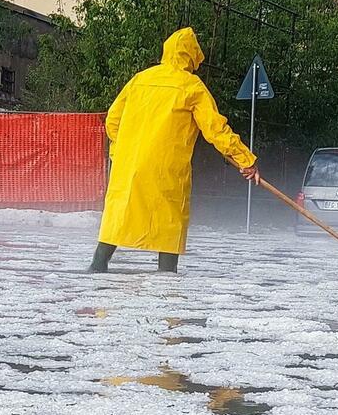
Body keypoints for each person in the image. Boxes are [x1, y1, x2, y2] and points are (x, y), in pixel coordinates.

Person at [89, 27, 260, 274]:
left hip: (128, 166)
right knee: (168, 220)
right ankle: (167, 275)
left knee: (119, 214)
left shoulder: (140, 79)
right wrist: (245, 159)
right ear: (192, 57)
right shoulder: (191, 86)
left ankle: (98, 264)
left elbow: (112, 120)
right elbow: (215, 128)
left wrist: (121, 150)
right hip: (166, 168)